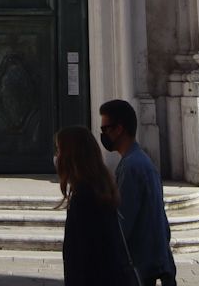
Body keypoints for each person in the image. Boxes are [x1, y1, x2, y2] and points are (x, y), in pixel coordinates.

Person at [99, 101, 176, 286]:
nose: (102, 135)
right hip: (151, 261)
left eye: (105, 129)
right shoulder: (140, 162)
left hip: (140, 264)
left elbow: (123, 220)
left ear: (119, 129)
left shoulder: (132, 167)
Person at [55, 125, 138, 286]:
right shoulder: (100, 190)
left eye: (59, 150)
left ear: (70, 156)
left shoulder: (85, 200)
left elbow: (85, 260)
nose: (57, 157)